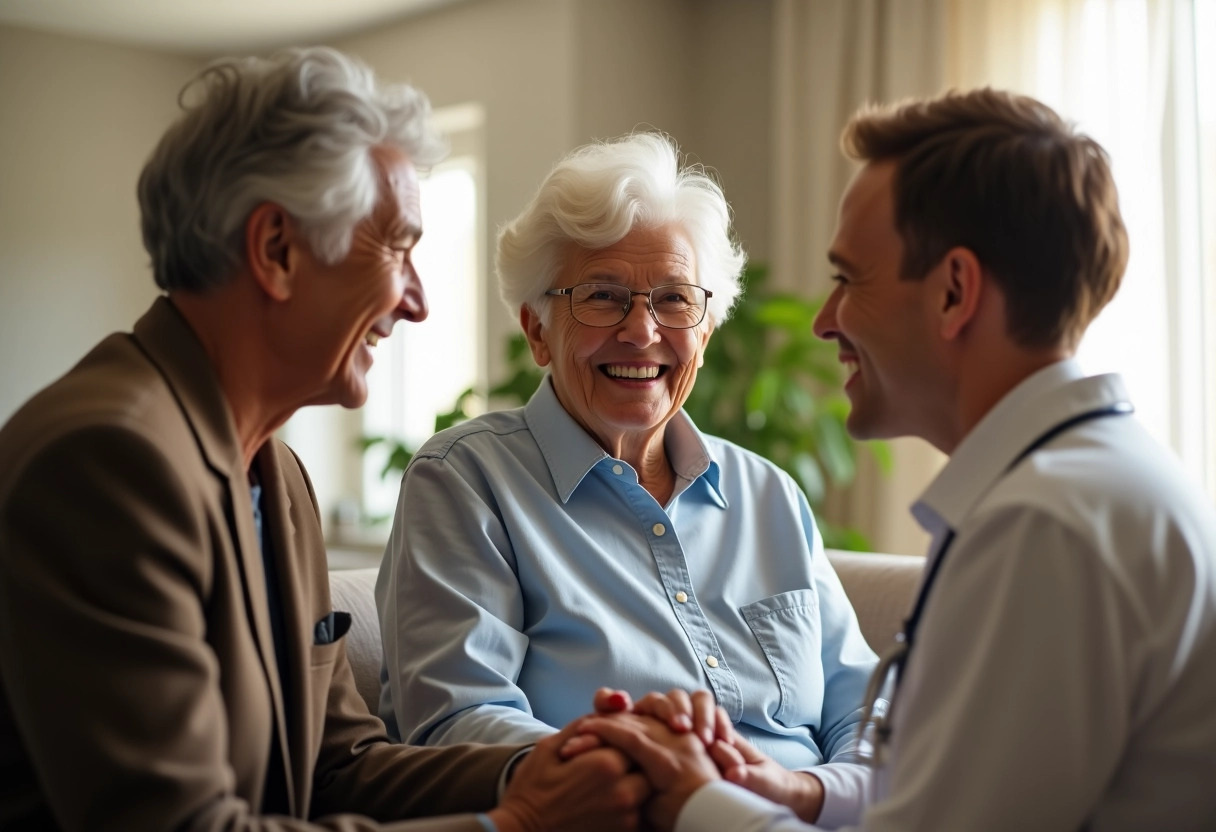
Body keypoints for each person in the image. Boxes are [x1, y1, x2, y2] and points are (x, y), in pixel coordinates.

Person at [0, 46, 649, 832]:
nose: (417, 303)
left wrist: (539, 766)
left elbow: (339, 766)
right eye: (398, 247)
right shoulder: (106, 464)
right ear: (276, 250)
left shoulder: (275, 472)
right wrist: (516, 825)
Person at [574, 87, 1216, 831]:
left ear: (953, 293)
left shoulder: (1045, 527)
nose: (823, 321)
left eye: (849, 279)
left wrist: (696, 801)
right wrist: (799, 793)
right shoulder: (1105, 484)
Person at [376, 132, 880, 828]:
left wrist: (807, 794)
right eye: (603, 297)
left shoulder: (770, 496)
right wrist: (634, 763)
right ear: (538, 330)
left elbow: (866, 713)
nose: (642, 333)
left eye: (674, 300)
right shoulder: (466, 482)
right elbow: (455, 720)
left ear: (704, 330)